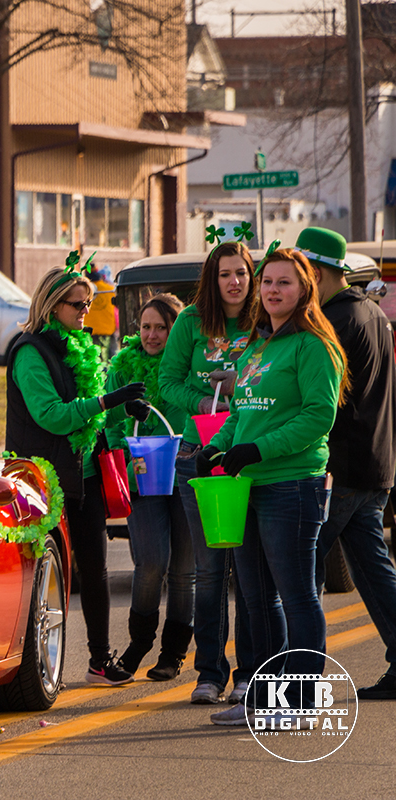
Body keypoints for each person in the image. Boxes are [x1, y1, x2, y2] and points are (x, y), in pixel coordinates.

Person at [199, 247, 347, 726]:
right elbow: (242, 412)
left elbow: (317, 417)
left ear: (304, 289)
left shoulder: (314, 346)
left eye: (284, 282)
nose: (272, 290)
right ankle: (263, 698)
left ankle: (301, 698)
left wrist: (260, 451)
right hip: (247, 485)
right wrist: (216, 446)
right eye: (267, 282)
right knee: (256, 598)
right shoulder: (257, 346)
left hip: (292, 484)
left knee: (297, 594)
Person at [5, 263, 146, 685]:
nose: (86, 311)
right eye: (77, 304)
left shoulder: (78, 346)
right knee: (46, 576)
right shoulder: (30, 351)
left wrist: (122, 406)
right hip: (42, 479)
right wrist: (107, 401)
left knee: (95, 567)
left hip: (84, 474)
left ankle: (100, 660)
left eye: (89, 303)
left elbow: (89, 410)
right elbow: (50, 415)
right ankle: (34, 668)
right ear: (52, 304)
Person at [158, 240, 257, 707]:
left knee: (253, 571)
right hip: (197, 456)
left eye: (241, 272)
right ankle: (209, 673)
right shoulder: (190, 322)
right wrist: (201, 402)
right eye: (225, 274)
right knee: (210, 568)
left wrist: (243, 392)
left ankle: (251, 674)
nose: (234, 282)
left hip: (251, 457)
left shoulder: (265, 320)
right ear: (211, 279)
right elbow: (167, 381)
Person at [301, 227, 396, 700]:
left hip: (339, 466)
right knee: (373, 571)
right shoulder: (373, 313)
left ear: (316, 274)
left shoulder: (332, 321)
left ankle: (302, 683)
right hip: (375, 462)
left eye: (300, 275)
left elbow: (321, 402)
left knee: (302, 576)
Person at [104, 293, 194, 681]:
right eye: (145, 327)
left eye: (161, 327)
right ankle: (139, 642)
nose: (152, 335)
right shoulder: (123, 366)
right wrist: (124, 422)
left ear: (176, 331)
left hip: (188, 471)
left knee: (184, 569)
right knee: (152, 562)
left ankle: (172, 652)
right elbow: (104, 421)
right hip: (143, 475)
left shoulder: (190, 366)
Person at [86, 264, 118, 358]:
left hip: (90, 329)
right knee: (111, 357)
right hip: (108, 329)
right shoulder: (109, 289)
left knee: (95, 358)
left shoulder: (86, 289)